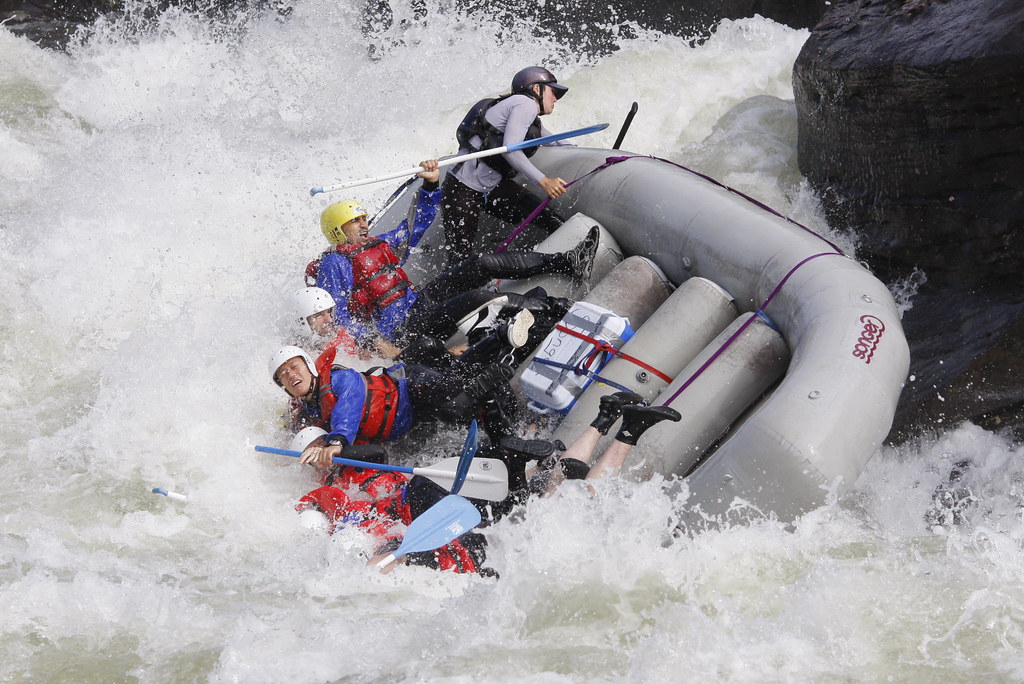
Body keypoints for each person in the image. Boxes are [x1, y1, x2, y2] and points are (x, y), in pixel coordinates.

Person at [308, 159, 598, 350]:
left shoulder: (378, 244)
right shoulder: (334, 264)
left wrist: (431, 184)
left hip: (417, 302)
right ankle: (562, 307)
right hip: (402, 329)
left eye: (363, 218)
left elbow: (415, 223)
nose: (363, 224)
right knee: (478, 299)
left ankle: (568, 261)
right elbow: (338, 318)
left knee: (479, 263)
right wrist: (374, 343)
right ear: (337, 230)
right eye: (355, 221)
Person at [269, 345, 516, 463]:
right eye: (283, 374)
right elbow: (299, 437)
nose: (291, 375)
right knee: (460, 410)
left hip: (408, 388)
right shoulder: (306, 412)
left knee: (454, 405)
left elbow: (349, 406)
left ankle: (495, 345)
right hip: (407, 421)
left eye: (294, 366)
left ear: (309, 366)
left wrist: (336, 442)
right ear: (283, 386)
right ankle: (485, 395)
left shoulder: (339, 379)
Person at [443, 66, 571, 263]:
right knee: (460, 260)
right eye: (553, 92)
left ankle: (568, 253)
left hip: (490, 187)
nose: (555, 99)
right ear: (537, 89)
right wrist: (544, 181)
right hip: (462, 189)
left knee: (540, 212)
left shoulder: (525, 110)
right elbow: (511, 148)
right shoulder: (524, 104)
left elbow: (554, 140)